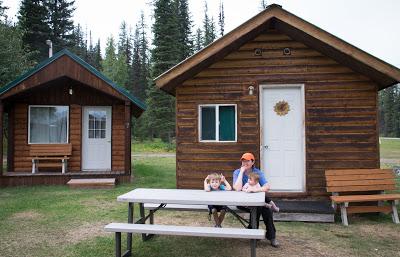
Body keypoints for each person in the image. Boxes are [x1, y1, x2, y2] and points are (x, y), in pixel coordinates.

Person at [233, 153, 279, 247]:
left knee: (266, 210)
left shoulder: (257, 173)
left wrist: (255, 190)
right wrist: (242, 172)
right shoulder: (237, 172)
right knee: (260, 208)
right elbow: (237, 188)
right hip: (242, 202)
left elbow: (267, 186)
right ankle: (259, 235)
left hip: (256, 202)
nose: (245, 162)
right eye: (243, 160)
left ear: (252, 162)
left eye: (247, 160)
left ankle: (264, 236)